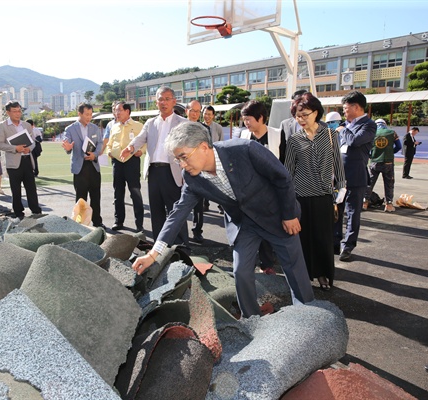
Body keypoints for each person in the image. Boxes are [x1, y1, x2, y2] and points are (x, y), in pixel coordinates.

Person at [131, 121, 314, 318]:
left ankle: (308, 316)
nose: (182, 164)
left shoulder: (245, 149)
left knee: (294, 271)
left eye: (184, 157)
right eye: (177, 160)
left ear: (203, 146)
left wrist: (289, 215)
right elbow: (178, 212)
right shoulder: (192, 178)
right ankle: (252, 320)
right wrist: (153, 254)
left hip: (277, 217)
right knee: (241, 273)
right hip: (244, 225)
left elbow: (282, 178)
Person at [284, 93, 346, 291]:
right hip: (300, 197)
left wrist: (341, 191)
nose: (301, 119)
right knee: (302, 240)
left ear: (316, 112)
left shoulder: (330, 135)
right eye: (297, 116)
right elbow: (288, 170)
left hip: (324, 196)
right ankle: (304, 277)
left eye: (304, 115)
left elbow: (338, 165)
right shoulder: (294, 140)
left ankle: (322, 275)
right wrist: (286, 198)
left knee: (323, 239)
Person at [120, 86, 189, 247]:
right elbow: (139, 139)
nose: (163, 102)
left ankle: (180, 245)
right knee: (156, 210)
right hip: (154, 172)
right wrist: (130, 147)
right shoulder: (151, 123)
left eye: (167, 99)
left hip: (173, 172)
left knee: (175, 211)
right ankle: (160, 244)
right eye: (160, 99)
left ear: (174, 101)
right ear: (155, 102)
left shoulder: (183, 123)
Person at [239, 100, 280, 274]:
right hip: (250, 192)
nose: (246, 123)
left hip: (272, 191)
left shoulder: (278, 135)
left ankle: (269, 262)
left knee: (271, 227)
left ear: (261, 117)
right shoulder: (243, 136)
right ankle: (263, 263)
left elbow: (285, 163)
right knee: (252, 228)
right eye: (244, 119)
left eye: (249, 119)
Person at [335, 91, 377, 261]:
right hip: (340, 177)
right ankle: (335, 242)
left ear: (356, 107)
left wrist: (343, 130)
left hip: (356, 177)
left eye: (346, 108)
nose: (344, 112)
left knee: (352, 214)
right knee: (336, 211)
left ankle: (348, 246)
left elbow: (354, 142)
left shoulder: (369, 125)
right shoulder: (347, 125)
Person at [0, 101, 42, 220]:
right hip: (13, 162)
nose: (18, 113)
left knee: (31, 188)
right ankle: (18, 213)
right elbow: (0, 144)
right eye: (15, 111)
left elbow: (32, 141)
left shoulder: (26, 125)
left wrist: (28, 149)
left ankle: (36, 210)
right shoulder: (3, 125)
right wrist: (15, 148)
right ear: (8, 112)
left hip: (27, 160)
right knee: (15, 190)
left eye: (19, 111)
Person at [62, 103, 105, 228]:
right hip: (80, 168)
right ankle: (80, 224)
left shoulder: (95, 128)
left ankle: (97, 222)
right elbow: (67, 143)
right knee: (81, 198)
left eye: (91, 114)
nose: (89, 117)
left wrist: (95, 154)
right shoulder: (70, 129)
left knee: (96, 196)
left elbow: (100, 143)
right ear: (79, 113)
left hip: (93, 166)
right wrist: (68, 147)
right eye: (86, 114)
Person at [105, 102, 145, 232]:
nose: (117, 113)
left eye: (119, 110)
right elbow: (109, 144)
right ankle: (119, 221)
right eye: (116, 111)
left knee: (135, 193)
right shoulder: (114, 127)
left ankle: (139, 224)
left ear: (127, 111)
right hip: (117, 163)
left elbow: (146, 142)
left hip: (132, 162)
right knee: (118, 193)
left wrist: (142, 151)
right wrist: (109, 152)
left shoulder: (138, 126)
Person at [363, 119, 398, 213]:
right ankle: (389, 204)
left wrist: (372, 155)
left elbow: (366, 148)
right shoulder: (392, 133)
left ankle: (365, 203)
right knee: (389, 184)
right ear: (385, 124)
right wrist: (391, 152)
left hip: (374, 162)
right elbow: (398, 146)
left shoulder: (372, 133)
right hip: (388, 162)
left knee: (369, 183)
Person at [186, 100, 206, 243]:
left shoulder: (204, 129)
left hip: (199, 171)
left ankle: (197, 231)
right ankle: (179, 232)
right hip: (181, 169)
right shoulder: (179, 127)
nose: (195, 114)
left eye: (198, 111)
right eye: (192, 110)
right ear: (186, 110)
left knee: (198, 204)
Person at [202, 105, 224, 214]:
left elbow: (221, 143)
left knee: (218, 181)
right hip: (202, 159)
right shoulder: (199, 127)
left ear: (213, 116)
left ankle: (221, 205)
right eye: (205, 114)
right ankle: (205, 204)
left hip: (215, 158)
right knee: (205, 181)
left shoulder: (218, 128)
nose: (207, 116)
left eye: (209, 114)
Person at [278, 89, 308, 163]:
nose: (291, 107)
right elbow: (281, 150)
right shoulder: (285, 124)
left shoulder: (321, 125)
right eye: (292, 104)